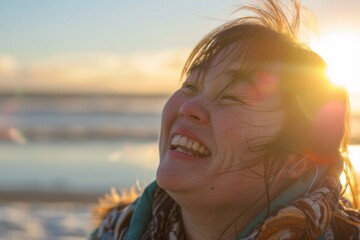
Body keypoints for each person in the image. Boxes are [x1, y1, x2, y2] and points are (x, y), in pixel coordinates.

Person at [90, 0, 360, 239]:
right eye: (190, 87)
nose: (189, 107)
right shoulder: (116, 230)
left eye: (231, 96)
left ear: (297, 159)